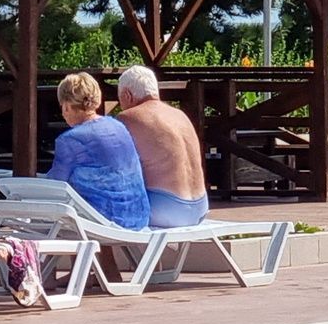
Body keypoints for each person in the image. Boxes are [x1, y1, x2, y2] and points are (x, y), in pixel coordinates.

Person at [110, 64, 210, 228]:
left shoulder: (127, 117)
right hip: (200, 207)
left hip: (165, 209)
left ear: (127, 95)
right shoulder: (180, 115)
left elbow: (113, 164)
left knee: (100, 198)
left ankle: (94, 245)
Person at [45, 72, 149, 228]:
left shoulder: (70, 139)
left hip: (104, 219)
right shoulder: (118, 126)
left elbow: (55, 185)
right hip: (138, 217)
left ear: (66, 106)